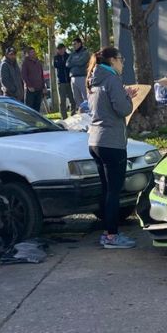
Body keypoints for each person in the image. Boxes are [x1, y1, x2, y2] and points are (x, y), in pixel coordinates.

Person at [87, 46, 137, 249]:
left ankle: (107, 232)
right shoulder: (112, 80)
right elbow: (123, 109)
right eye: (121, 59)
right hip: (112, 142)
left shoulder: (93, 79)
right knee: (114, 191)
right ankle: (111, 236)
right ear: (112, 61)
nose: (122, 63)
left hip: (95, 141)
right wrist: (128, 97)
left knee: (107, 190)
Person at [67, 37, 92, 113]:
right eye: (72, 44)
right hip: (73, 78)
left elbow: (82, 62)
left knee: (86, 97)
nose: (73, 46)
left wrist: (73, 62)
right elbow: (67, 63)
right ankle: (82, 113)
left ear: (80, 43)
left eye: (75, 44)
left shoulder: (85, 52)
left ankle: (89, 113)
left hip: (82, 77)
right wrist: (76, 61)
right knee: (76, 98)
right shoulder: (72, 53)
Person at [21, 46, 45, 112]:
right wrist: (29, 86)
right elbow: (24, 75)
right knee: (30, 109)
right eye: (31, 52)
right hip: (30, 90)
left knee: (37, 108)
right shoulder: (25, 63)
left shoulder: (38, 62)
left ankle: (36, 122)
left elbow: (41, 75)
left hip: (39, 88)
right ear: (28, 54)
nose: (33, 53)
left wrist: (43, 86)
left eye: (34, 52)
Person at [53, 43, 73, 118]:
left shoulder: (69, 56)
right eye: (59, 49)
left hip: (70, 81)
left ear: (65, 48)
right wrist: (65, 63)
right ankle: (64, 117)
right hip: (61, 82)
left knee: (72, 100)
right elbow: (56, 65)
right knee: (62, 101)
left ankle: (73, 114)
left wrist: (65, 64)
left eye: (62, 49)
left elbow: (70, 65)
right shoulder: (56, 58)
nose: (61, 50)